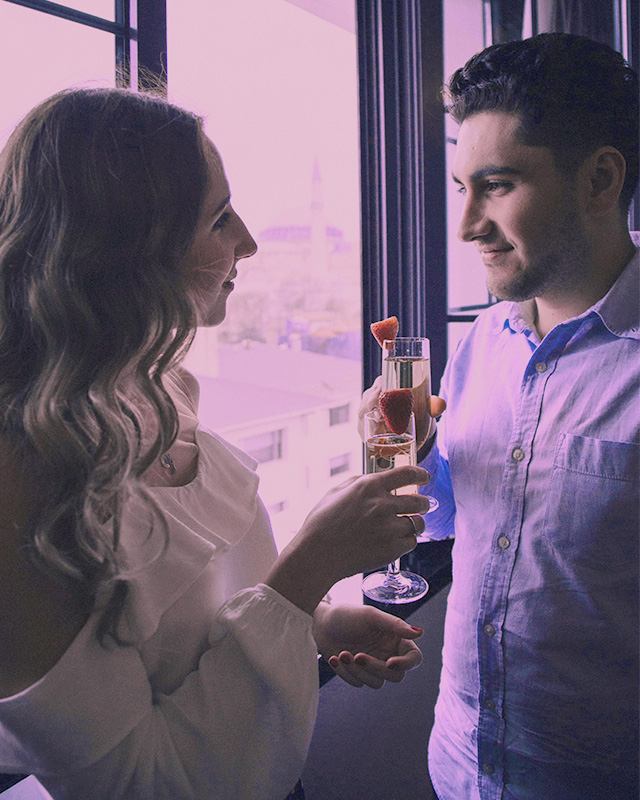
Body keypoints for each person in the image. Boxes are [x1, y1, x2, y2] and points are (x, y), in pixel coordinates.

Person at [0, 87, 434, 800]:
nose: (251, 242)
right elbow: (140, 782)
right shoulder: (21, 476)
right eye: (220, 217)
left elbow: (186, 617)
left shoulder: (160, 388)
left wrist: (315, 623)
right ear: (130, 245)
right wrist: (309, 570)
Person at [360, 32, 639, 800]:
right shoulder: (483, 341)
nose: (466, 226)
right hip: (458, 763)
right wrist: (405, 460)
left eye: (499, 184)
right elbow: (447, 517)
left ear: (600, 179)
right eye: (461, 187)